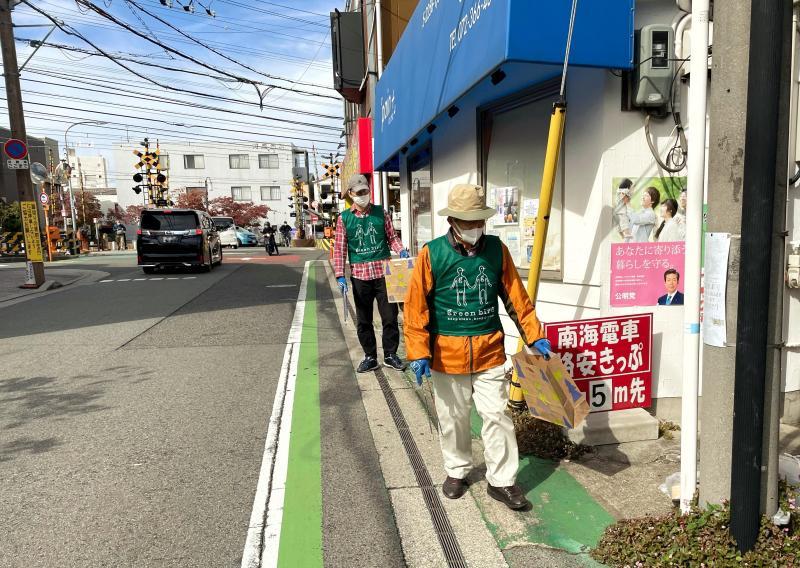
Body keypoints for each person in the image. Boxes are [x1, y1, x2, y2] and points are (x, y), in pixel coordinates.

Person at [404, 183, 552, 511]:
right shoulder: (432, 253)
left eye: (478, 221)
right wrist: (418, 352)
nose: (474, 228)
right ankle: (457, 470)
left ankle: (502, 481)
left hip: (489, 351)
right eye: (468, 222)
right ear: (453, 220)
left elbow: (517, 298)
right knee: (453, 418)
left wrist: (533, 334)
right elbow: (416, 310)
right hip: (447, 354)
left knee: (497, 416)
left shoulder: (497, 250)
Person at [334, 174, 409, 373]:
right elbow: (340, 248)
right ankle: (370, 356)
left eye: (365, 191)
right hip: (360, 276)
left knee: (390, 317)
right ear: (350, 194)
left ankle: (391, 355)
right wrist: (340, 274)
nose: (363, 195)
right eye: (358, 193)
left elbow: (391, 237)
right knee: (364, 320)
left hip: (385, 273)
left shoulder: (381, 213)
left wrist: (400, 249)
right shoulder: (344, 219)